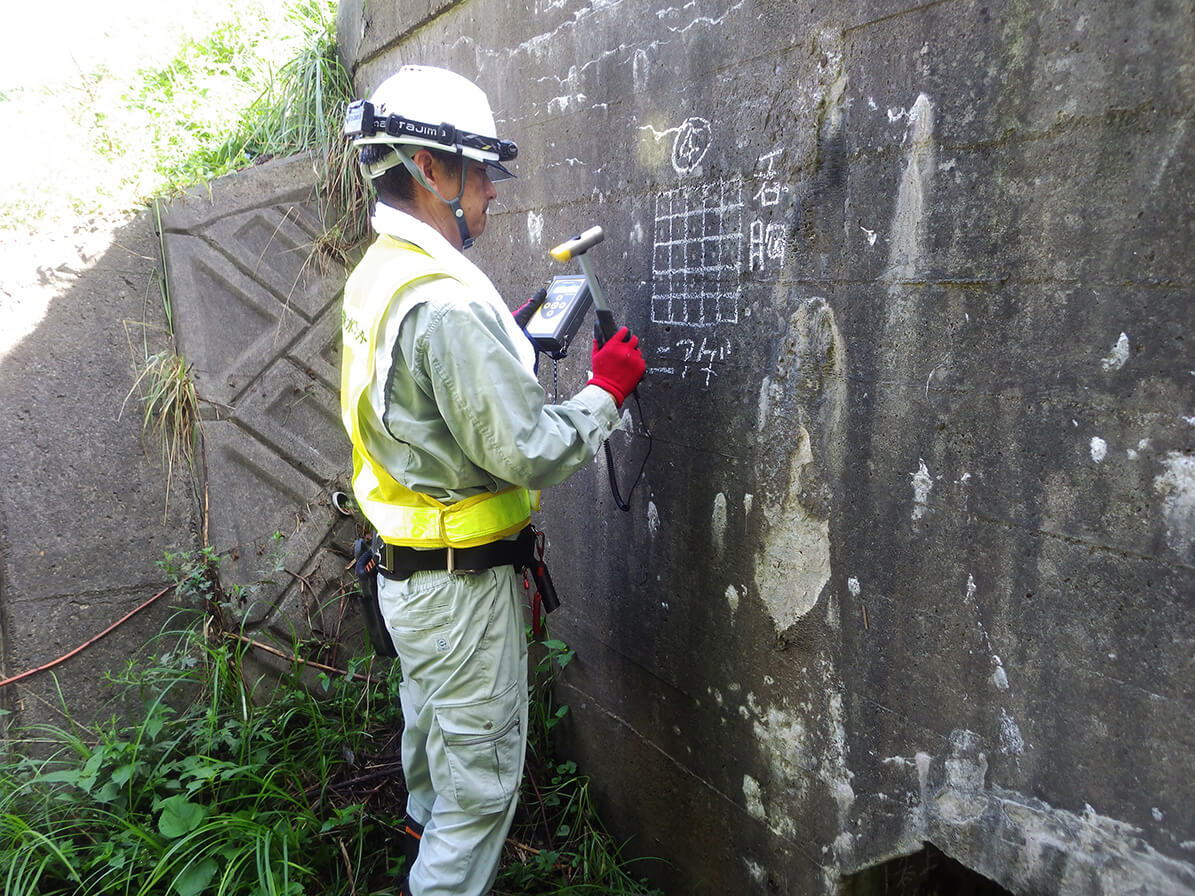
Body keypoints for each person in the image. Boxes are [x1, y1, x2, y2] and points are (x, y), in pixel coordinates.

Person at [338, 65, 646, 896]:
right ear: (429, 168)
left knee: (436, 752)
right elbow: (530, 451)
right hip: (457, 593)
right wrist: (605, 390)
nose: (493, 192)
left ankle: (418, 859)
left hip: (410, 576)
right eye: (481, 170)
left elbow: (418, 395)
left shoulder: (383, 274)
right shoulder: (443, 305)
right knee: (480, 794)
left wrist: (499, 348)